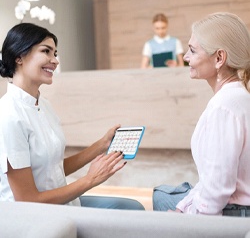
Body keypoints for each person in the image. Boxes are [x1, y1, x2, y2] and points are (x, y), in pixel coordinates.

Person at [0, 23, 144, 210]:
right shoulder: (8, 115)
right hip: (35, 216)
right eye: (46, 51)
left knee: (131, 208)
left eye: (55, 54)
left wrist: (101, 145)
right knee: (131, 212)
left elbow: (53, 169)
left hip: (63, 204)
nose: (55, 60)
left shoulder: (44, 106)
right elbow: (28, 200)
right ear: (19, 56)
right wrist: (90, 179)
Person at [153, 12, 250, 217]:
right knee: (163, 195)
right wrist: (184, 206)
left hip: (235, 214)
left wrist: (185, 218)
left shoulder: (223, 107)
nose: (186, 58)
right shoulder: (240, 95)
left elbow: (215, 193)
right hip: (236, 207)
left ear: (219, 58)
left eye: (192, 51)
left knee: (160, 198)